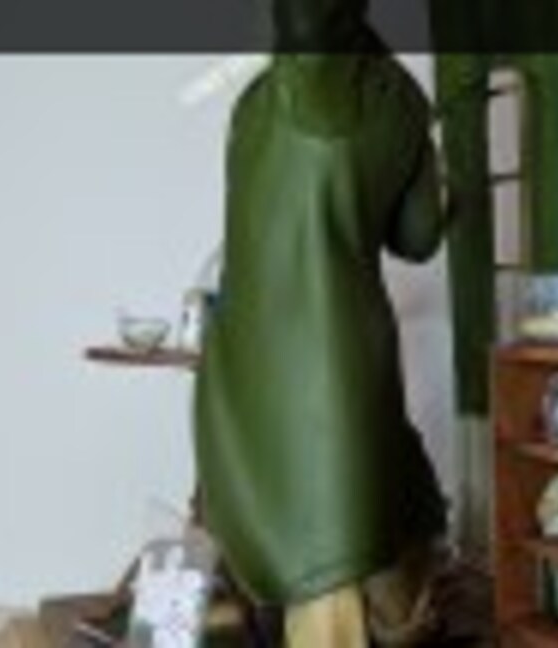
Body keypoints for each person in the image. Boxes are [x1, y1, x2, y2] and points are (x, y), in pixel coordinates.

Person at [192, 0, 452, 645]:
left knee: (285, 511)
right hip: (351, 348)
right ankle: (398, 617)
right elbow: (417, 239)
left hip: (251, 356)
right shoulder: (401, 100)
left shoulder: (257, 103)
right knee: (366, 496)